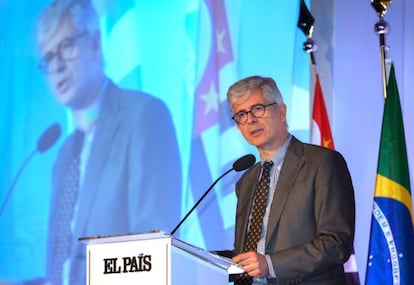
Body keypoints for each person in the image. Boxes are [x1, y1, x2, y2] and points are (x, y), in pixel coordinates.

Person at [17, 0, 182, 284]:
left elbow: (152, 253)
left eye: (65, 46)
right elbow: (67, 269)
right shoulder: (65, 153)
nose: (56, 66)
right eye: (48, 57)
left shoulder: (143, 116)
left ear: (95, 44)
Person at [220, 75, 355, 285]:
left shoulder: (322, 163)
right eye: (241, 115)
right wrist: (199, 258)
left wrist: (271, 264)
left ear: (281, 112)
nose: (250, 120)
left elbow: (336, 243)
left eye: (257, 109)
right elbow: (247, 253)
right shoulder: (246, 181)